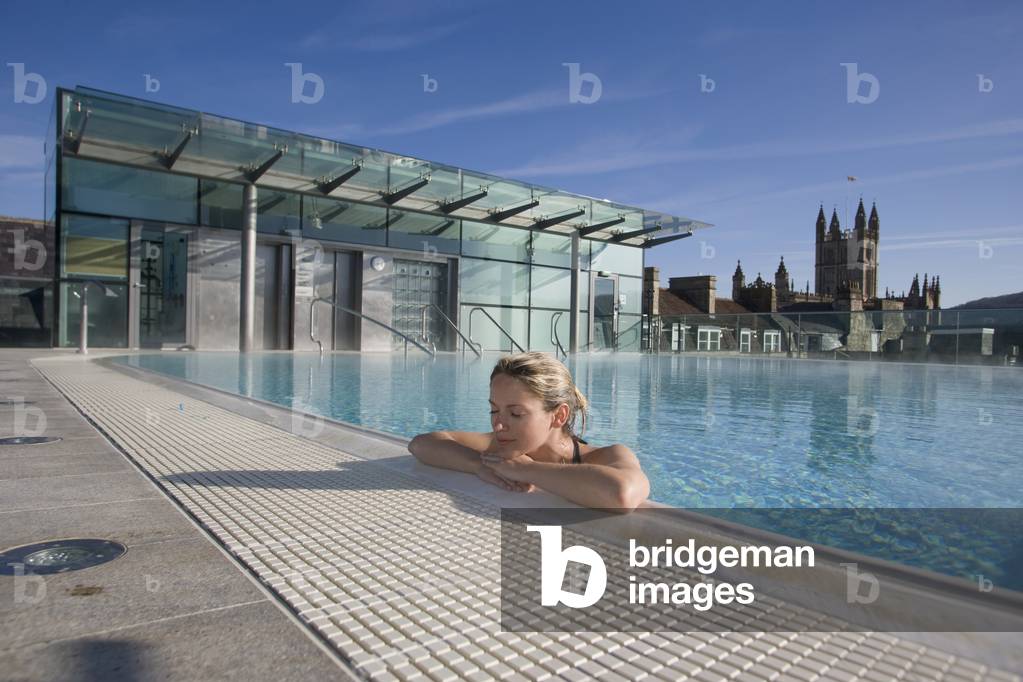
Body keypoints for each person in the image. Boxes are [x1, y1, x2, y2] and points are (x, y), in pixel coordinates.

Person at [408, 351, 650, 512]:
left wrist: (525, 470)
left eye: (515, 414)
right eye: (494, 411)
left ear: (558, 415)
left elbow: (622, 493)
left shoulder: (605, 457)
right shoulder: (499, 449)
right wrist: (478, 466)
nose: (498, 425)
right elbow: (421, 444)